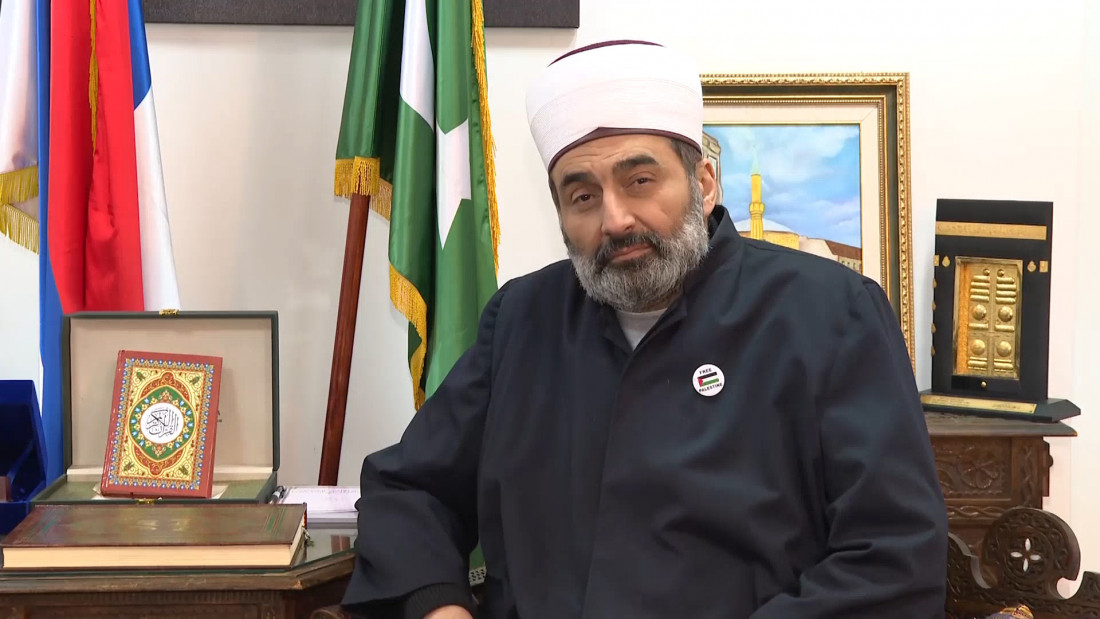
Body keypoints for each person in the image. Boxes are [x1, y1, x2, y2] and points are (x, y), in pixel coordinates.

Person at [341, 40, 948, 619]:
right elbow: (408, 490)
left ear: (703, 184)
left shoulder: (830, 313)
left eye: (639, 181)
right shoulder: (523, 318)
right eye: (582, 197)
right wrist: (440, 606)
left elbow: (894, 556)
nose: (616, 219)